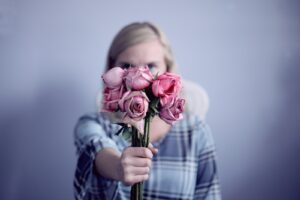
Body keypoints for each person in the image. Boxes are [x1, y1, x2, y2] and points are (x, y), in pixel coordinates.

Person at [73, 22, 221, 200]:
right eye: (127, 66)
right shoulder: (93, 124)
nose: (139, 77)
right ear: (112, 69)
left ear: (168, 68)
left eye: (151, 66)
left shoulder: (195, 131)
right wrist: (119, 167)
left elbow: (209, 195)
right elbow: (96, 149)